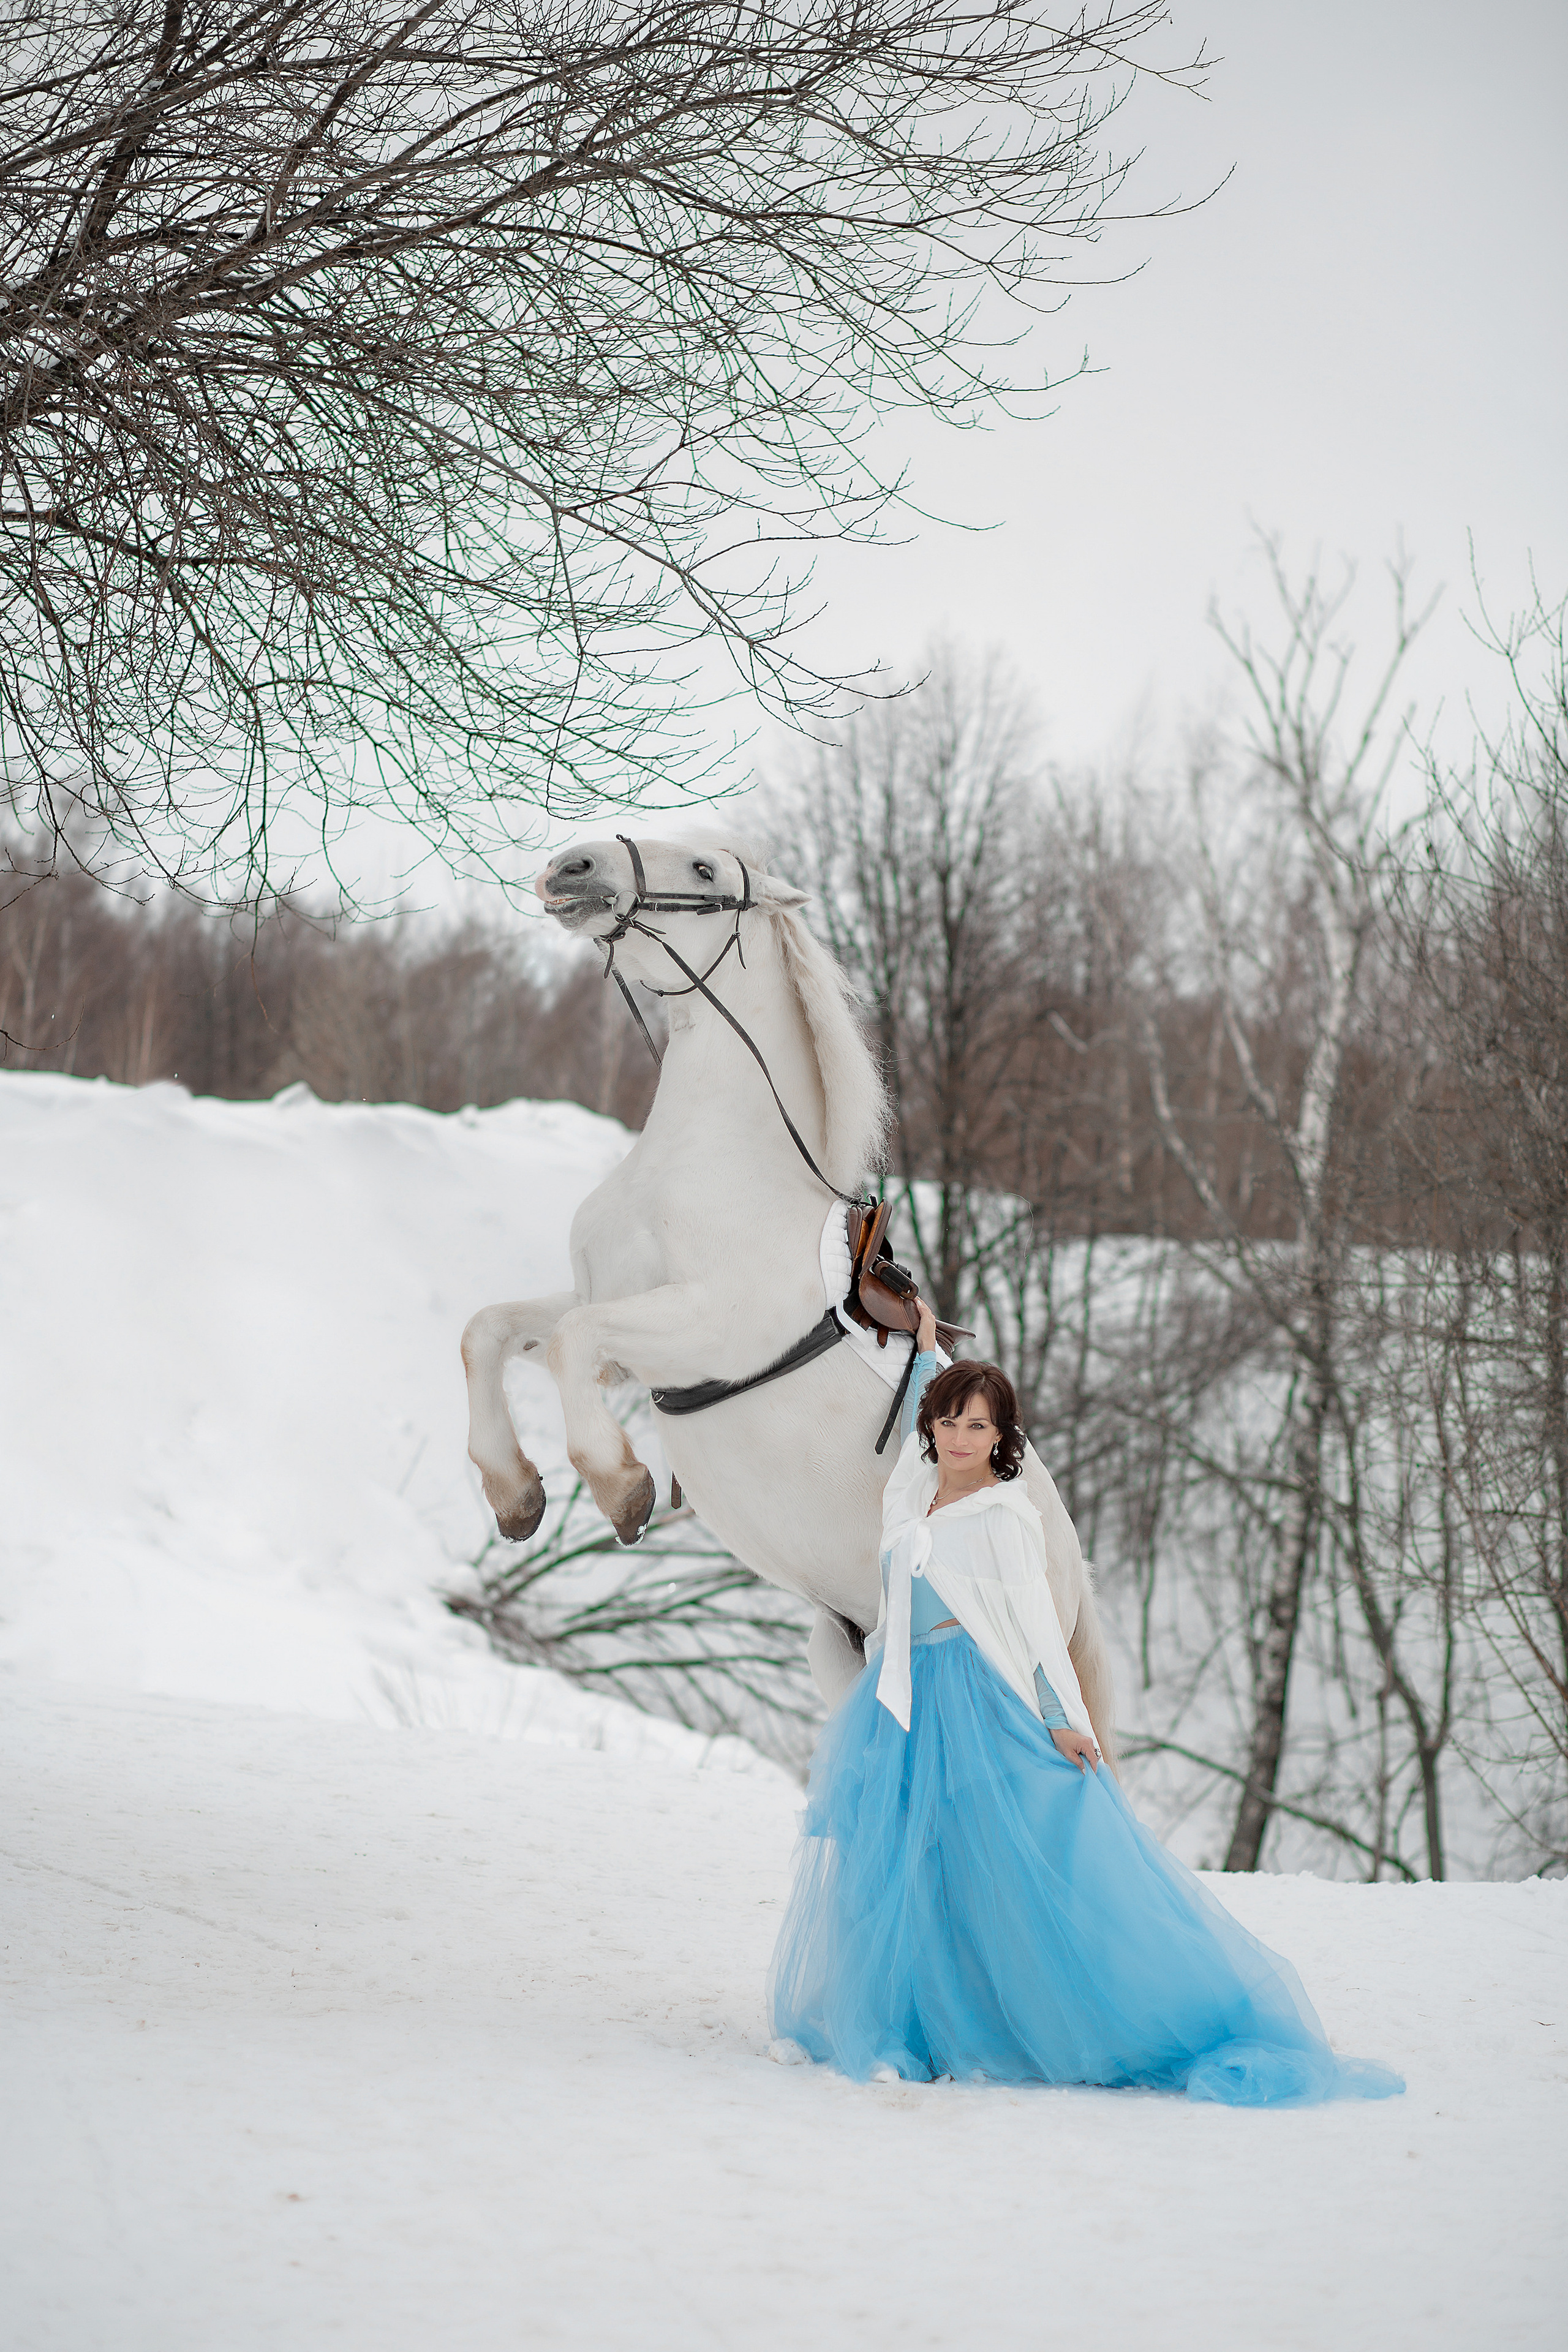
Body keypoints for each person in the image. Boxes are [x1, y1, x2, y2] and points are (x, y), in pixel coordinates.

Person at [768, 1303, 1404, 2105]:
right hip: (903, 1699)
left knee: (995, 1852)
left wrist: (1061, 1716)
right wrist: (927, 1349)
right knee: (902, 1858)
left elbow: (1037, 1629)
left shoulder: (1005, 1515)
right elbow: (927, 1411)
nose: (961, 1437)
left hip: (972, 1695)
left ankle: (1049, 2014)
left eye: (979, 1426)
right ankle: (906, 2024)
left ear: (1002, 1439)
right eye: (951, 1423)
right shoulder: (913, 1489)